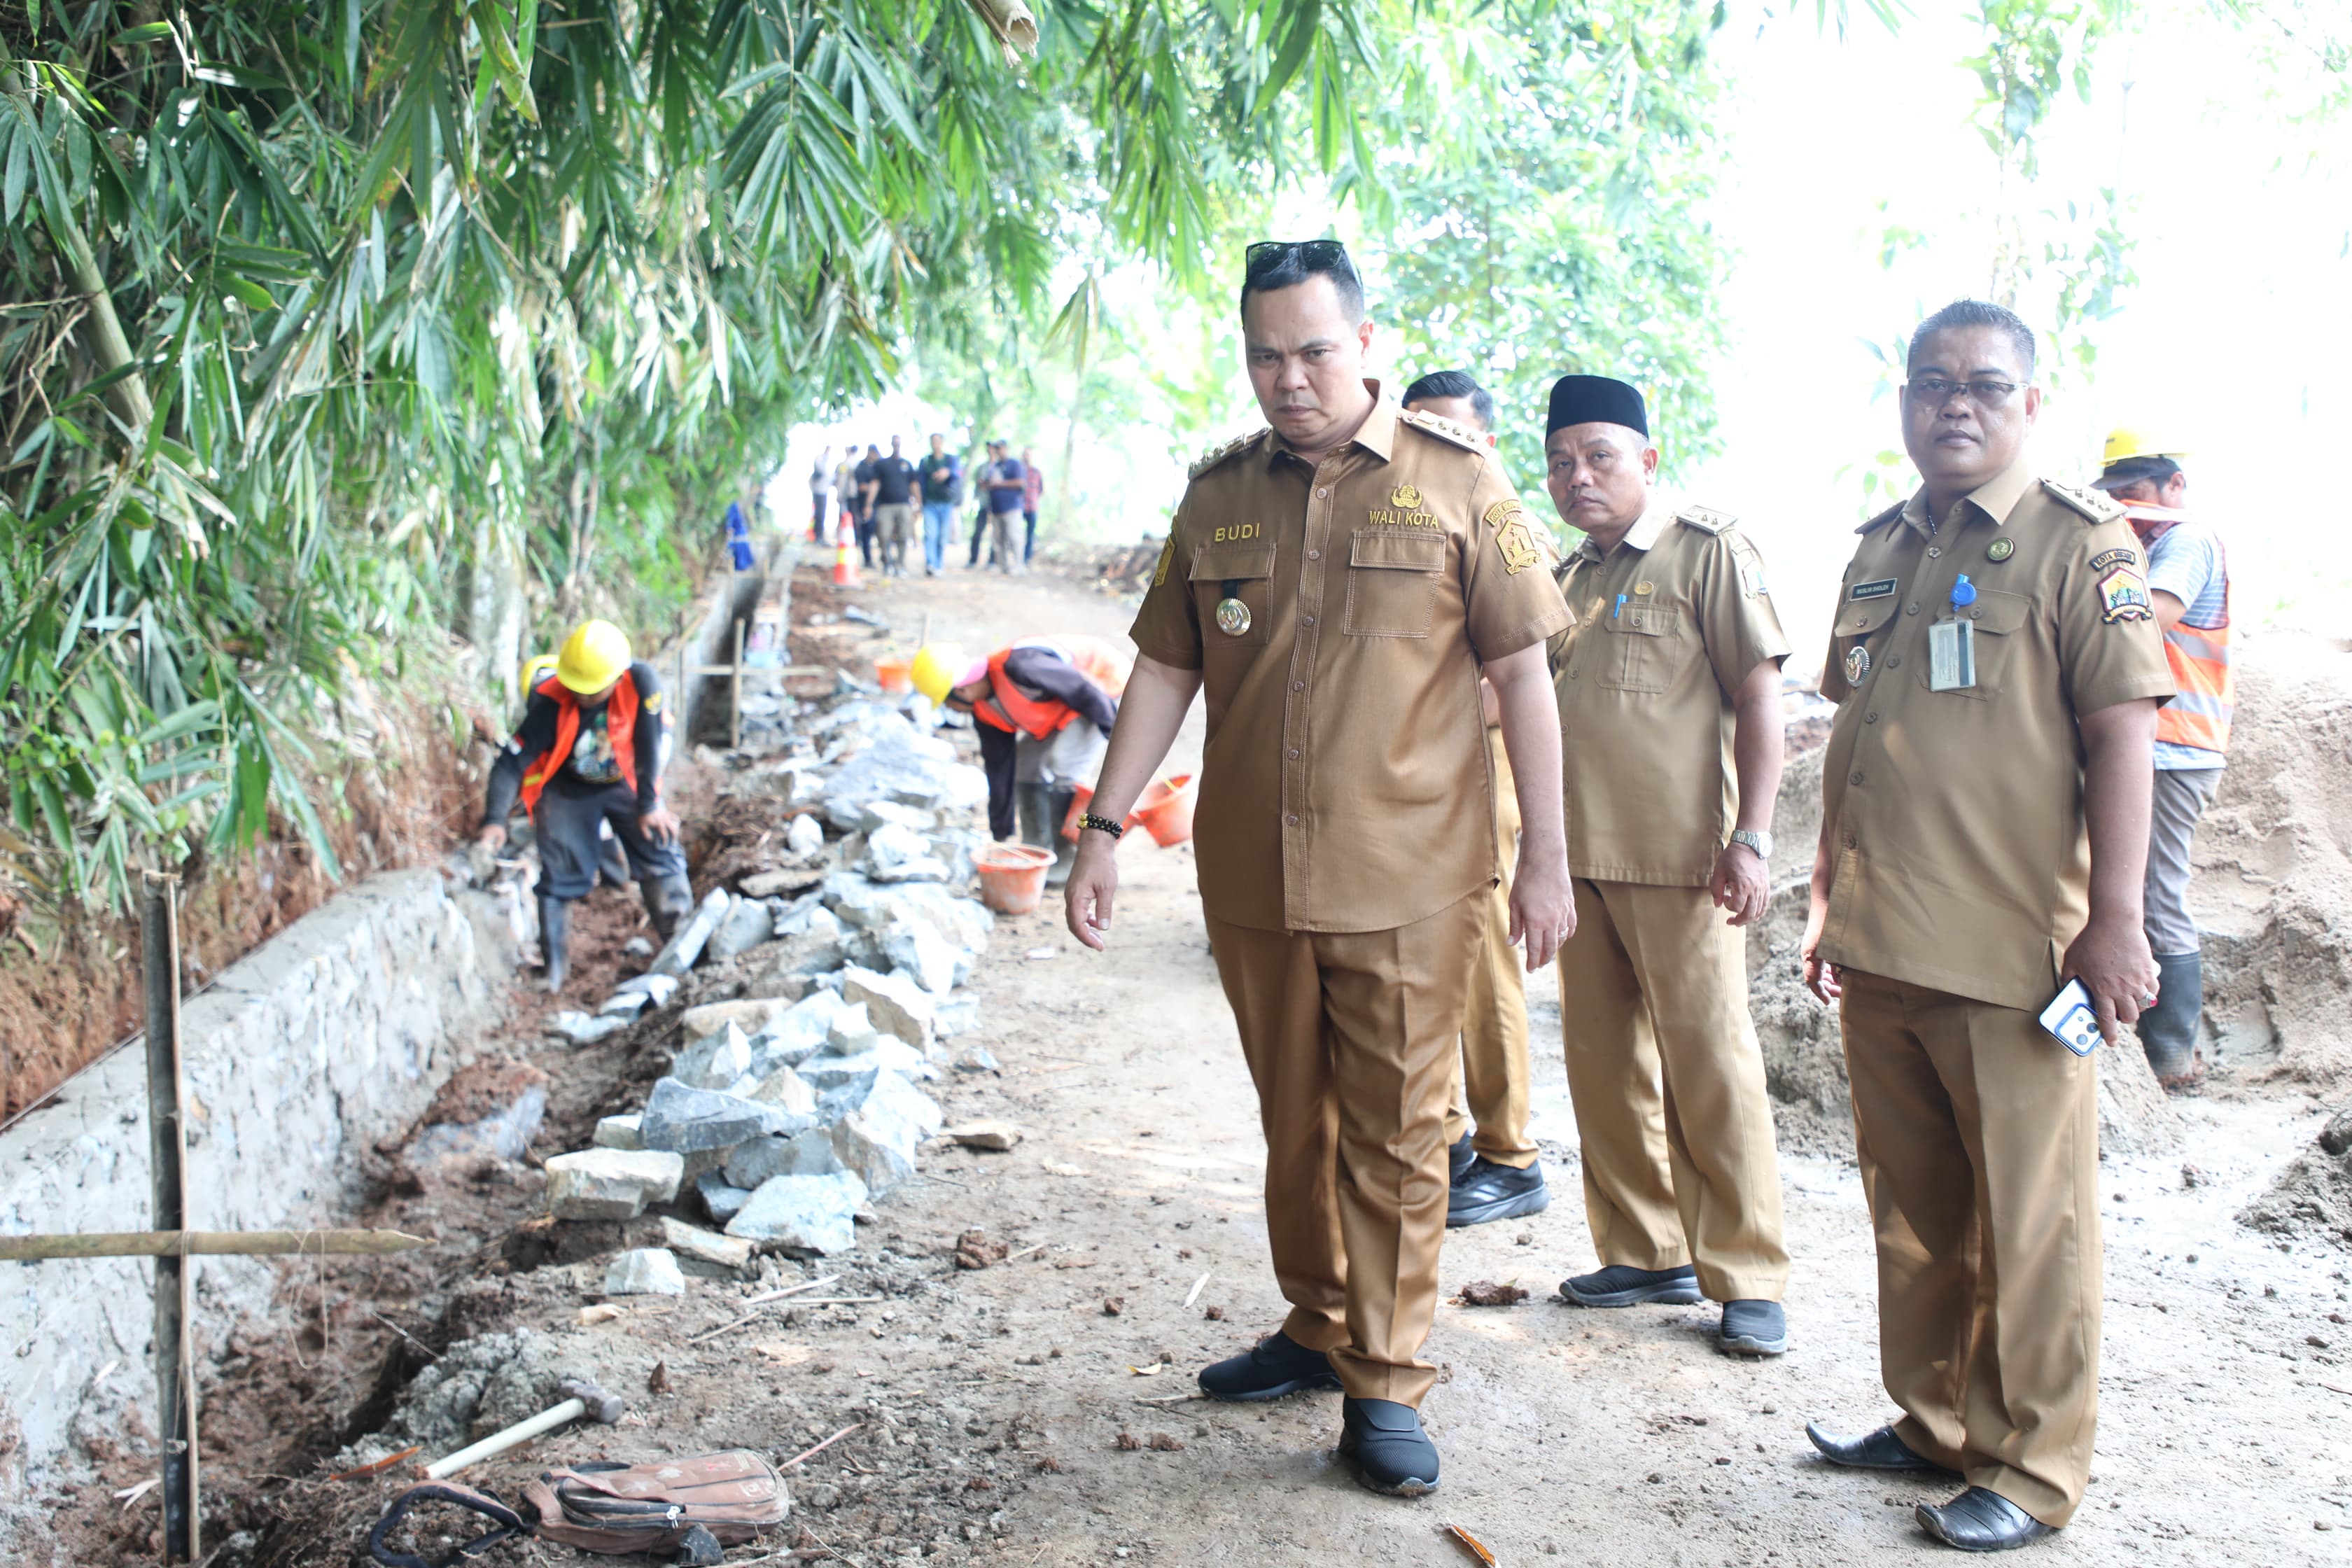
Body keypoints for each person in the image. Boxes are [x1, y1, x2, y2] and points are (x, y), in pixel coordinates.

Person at [1064, 239, 1575, 1497]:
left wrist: (1548, 860)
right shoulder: (1219, 496)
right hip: (1255, 876)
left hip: (1414, 873)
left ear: (1363, 346)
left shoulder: (1460, 482)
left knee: (1399, 1137)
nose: (1286, 379)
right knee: (1295, 1127)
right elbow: (1171, 669)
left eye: (1312, 351)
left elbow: (1523, 674)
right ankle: (1316, 1322)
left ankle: (1389, 1379)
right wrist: (1103, 823)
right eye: (1263, 354)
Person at [1800, 300, 2172, 1552]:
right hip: (1883, 938)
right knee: (1915, 1210)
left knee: (2034, 1222)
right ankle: (1934, 1422)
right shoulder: (1882, 547)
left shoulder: (2083, 545)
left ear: (2027, 404)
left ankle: (2032, 1469)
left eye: (1984, 385)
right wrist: (1825, 897)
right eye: (1930, 383)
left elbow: (2129, 734)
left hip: (2018, 955)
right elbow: (1859, 735)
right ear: (1904, 403)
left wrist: (2115, 922)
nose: (1954, 403)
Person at [1538, 373, 1793, 1357]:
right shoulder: (1568, 579)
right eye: (1561, 460)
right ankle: (1646, 1250)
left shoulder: (1708, 552)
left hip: (1684, 862)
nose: (1579, 476)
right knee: (1603, 1067)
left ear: (1648, 458)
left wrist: (1755, 836)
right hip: (1578, 861)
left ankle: (1748, 1272)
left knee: (1711, 1067)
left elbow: (1760, 696)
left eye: (1599, 455)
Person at [1397, 370, 1548, 1229]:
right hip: (1415, 784)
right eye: (1422, 430)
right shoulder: (1403, 512)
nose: (1437, 446)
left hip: (1481, 778)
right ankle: (1451, 1135)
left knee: (1488, 964)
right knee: (1426, 961)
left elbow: (1519, 676)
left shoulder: (1502, 520)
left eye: (1454, 432)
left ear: (1486, 440)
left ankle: (1509, 1152)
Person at [2090, 428, 2229, 1086]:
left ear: (2175, 486)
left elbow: (2149, 616)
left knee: (2155, 893)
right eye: (2114, 496)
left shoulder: (2186, 541)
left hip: (2175, 748)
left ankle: (2171, 1056)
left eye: (2136, 494)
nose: (2125, 507)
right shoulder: (2145, 542)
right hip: (2149, 745)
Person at [479, 620, 692, 992]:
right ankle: (554, 972)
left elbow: (650, 743)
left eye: (592, 691)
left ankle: (684, 952)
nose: (582, 697)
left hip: (625, 779)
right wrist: (494, 820)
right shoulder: (551, 701)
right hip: (568, 790)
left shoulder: (641, 682)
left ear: (616, 676)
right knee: (560, 874)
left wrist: (650, 803)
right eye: (576, 689)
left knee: (659, 848)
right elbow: (511, 762)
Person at [913, 637, 1128, 887]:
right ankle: (1037, 851)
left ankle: (1069, 861)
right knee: (1025, 762)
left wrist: (1118, 739)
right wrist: (1000, 836)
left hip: (1104, 690)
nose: (953, 711)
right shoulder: (985, 712)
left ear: (962, 690)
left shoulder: (1021, 666)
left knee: (1064, 762)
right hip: (1067, 707)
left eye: (947, 703)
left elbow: (1083, 690)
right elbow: (999, 769)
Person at [869, 435, 919, 577]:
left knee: (904, 536)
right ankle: (887, 561)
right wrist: (869, 504)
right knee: (883, 535)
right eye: (895, 443)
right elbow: (875, 484)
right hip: (885, 506)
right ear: (891, 444)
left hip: (904, 505)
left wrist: (918, 505)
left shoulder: (907, 465)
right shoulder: (882, 464)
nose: (897, 445)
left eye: (899, 443)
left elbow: (914, 485)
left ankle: (900, 565)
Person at [920, 435, 963, 577]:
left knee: (942, 536)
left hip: (946, 503)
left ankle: (939, 565)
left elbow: (959, 472)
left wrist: (948, 472)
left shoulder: (951, 460)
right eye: (933, 441)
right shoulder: (926, 461)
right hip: (930, 503)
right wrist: (919, 503)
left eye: (938, 441)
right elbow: (919, 483)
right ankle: (931, 564)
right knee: (930, 534)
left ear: (942, 443)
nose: (936, 444)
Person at [983, 441, 1027, 574]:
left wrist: (1000, 484)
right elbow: (991, 484)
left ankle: (1019, 565)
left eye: (1000, 448)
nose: (998, 451)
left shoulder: (1015, 464)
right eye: (996, 449)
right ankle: (1004, 567)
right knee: (998, 539)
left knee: (1014, 537)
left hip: (1012, 507)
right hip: (997, 509)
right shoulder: (995, 466)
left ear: (1006, 449)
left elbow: (1021, 482)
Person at [850, 443, 881, 568]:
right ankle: (867, 559)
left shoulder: (879, 466)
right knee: (866, 532)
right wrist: (876, 488)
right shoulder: (861, 467)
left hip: (880, 504)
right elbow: (861, 487)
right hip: (865, 505)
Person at [1020, 446, 1046, 564]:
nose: (1027, 457)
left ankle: (1026, 559)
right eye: (1025, 454)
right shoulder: (1019, 470)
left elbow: (1041, 490)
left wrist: (1033, 498)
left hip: (1033, 507)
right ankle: (1017, 558)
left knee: (1030, 535)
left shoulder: (1037, 472)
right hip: (1019, 508)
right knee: (1016, 533)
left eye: (1029, 454)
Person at [809, 447, 834, 543]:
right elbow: (820, 468)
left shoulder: (823, 469)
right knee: (819, 515)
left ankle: (819, 535)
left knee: (820, 515)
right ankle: (818, 536)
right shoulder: (820, 464)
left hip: (822, 492)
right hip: (819, 493)